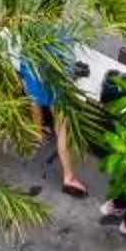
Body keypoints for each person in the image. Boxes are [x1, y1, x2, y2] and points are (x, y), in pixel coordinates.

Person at [20, 54, 86, 196]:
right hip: (55, 71)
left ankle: (38, 134)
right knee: (62, 125)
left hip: (32, 64)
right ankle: (69, 177)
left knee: (34, 98)